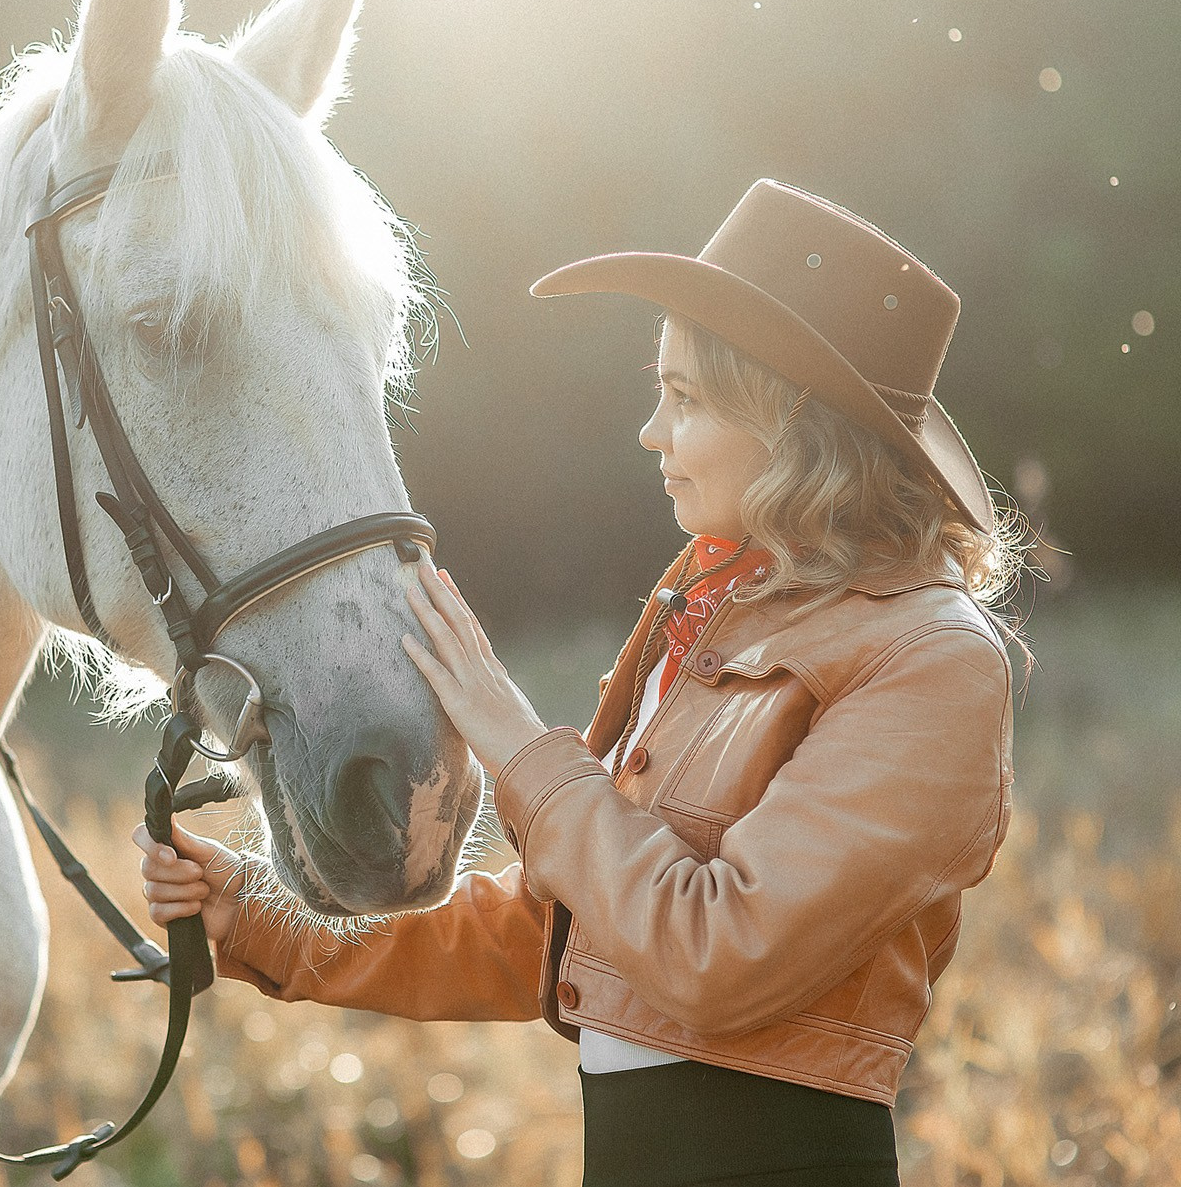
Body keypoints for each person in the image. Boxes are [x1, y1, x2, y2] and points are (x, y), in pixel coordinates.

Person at [133, 179, 1025, 1187]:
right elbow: (558, 928)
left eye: (686, 398)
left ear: (794, 425)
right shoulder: (714, 608)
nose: (652, 431)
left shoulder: (930, 660)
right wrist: (255, 915)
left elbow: (715, 949)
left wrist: (520, 746)